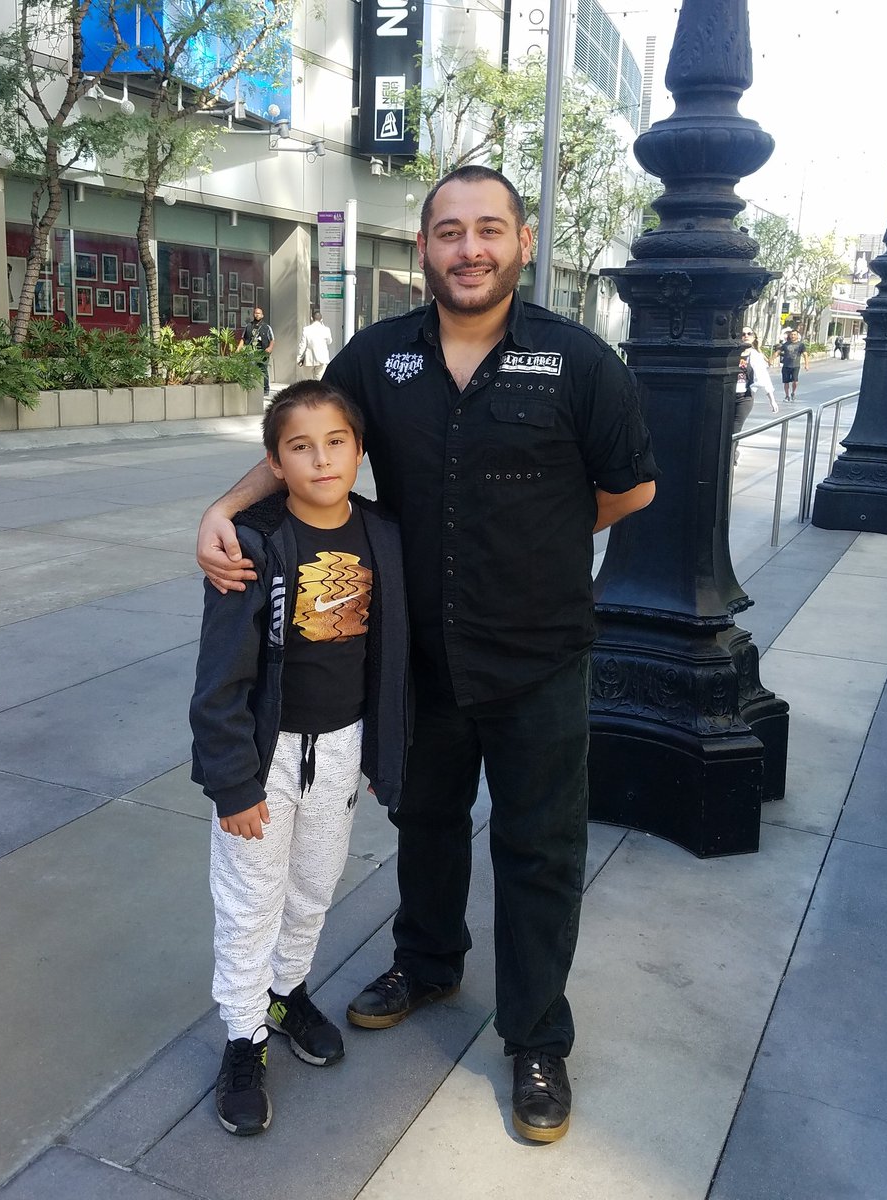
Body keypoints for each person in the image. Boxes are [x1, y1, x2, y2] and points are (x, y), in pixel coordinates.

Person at [196, 165, 658, 1144]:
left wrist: (536, 542)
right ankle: (429, 961)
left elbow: (628, 492)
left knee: (538, 850)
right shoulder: (378, 358)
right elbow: (301, 442)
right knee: (428, 820)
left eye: (488, 229)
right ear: (424, 252)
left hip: (538, 658)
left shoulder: (579, 363)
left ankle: (535, 1036)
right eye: (448, 232)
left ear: (522, 243)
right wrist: (224, 510)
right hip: (418, 658)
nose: (469, 249)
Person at [189, 380, 410, 1137]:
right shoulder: (255, 544)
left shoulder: (382, 535)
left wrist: (384, 753)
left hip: (340, 749)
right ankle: (244, 1036)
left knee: (314, 885)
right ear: (276, 463)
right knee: (250, 903)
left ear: (358, 448)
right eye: (300, 446)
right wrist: (232, 782)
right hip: (265, 757)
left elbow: (390, 656)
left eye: (336, 442)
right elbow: (219, 678)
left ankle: (287, 994)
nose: (321, 459)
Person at [238, 305, 275, 396]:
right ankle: (251, 387)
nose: (257, 315)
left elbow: (272, 339)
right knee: (251, 369)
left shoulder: (267, 327)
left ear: (262, 315)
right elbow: (243, 338)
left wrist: (270, 348)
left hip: (262, 351)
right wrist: (239, 348)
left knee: (263, 370)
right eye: (255, 313)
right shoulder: (248, 326)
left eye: (259, 313)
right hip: (251, 352)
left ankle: (265, 388)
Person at [771, 329, 809, 402]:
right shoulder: (785, 344)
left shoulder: (801, 345)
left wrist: (806, 364)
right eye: (792, 335)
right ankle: (787, 396)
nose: (793, 336)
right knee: (786, 382)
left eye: (794, 335)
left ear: (797, 336)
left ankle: (793, 393)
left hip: (795, 366)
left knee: (795, 381)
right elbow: (778, 352)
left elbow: (805, 354)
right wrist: (771, 360)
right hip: (786, 366)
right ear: (790, 336)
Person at [297, 309, 333, 380]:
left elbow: (302, 345)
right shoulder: (326, 329)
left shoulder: (306, 329)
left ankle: (308, 391)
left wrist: (299, 358)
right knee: (319, 379)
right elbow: (329, 341)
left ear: (311, 318)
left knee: (307, 380)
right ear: (321, 319)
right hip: (322, 358)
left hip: (309, 358)